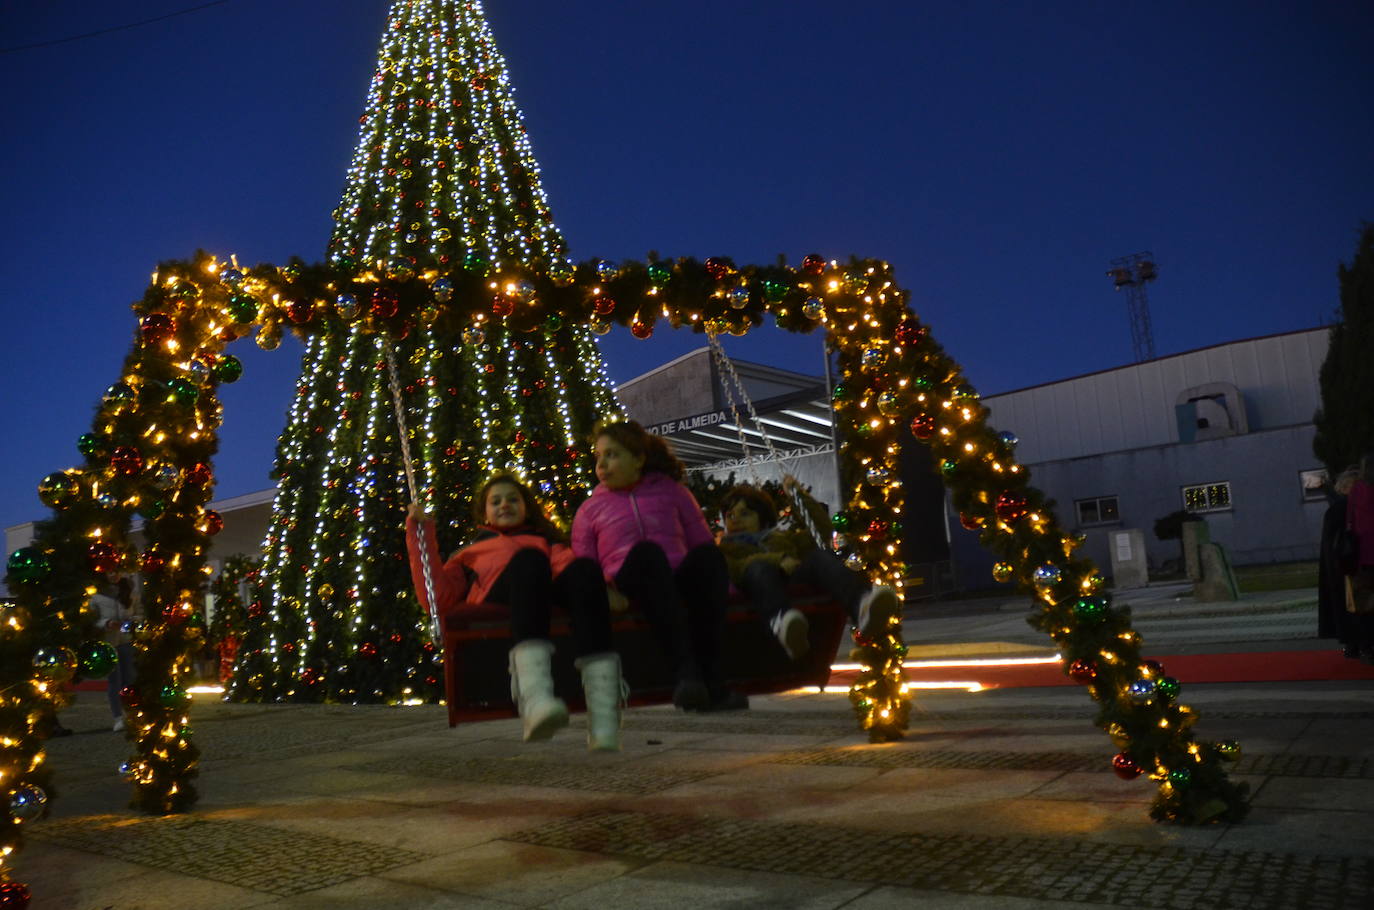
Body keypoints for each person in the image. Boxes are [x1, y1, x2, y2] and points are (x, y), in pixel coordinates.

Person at [405, 473, 625, 750]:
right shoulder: (469, 553)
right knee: (529, 559)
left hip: (542, 590)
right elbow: (439, 599)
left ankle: (604, 716)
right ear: (484, 512)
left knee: (583, 569)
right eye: (495, 501)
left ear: (526, 506)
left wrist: (601, 587)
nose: (504, 505)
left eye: (512, 499)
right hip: (498, 595)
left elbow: (568, 570)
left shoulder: (546, 542)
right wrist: (420, 533)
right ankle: (535, 699)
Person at [572, 420, 745, 712]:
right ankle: (686, 674)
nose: (601, 464)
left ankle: (713, 681)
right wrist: (602, 591)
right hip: (628, 580)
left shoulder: (673, 493)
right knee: (648, 554)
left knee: (708, 556)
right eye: (598, 456)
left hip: (675, 577)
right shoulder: (590, 509)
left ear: (638, 458)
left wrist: (724, 587)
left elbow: (700, 541)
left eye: (612, 454)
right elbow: (584, 561)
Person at [718, 477, 900, 660]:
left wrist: (800, 498)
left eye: (745, 514)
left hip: (793, 580)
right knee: (758, 568)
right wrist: (777, 560)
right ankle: (782, 622)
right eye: (730, 515)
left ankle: (861, 605)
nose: (735, 520)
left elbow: (824, 533)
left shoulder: (783, 538)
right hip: (759, 589)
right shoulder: (725, 549)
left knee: (820, 556)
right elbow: (734, 568)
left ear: (763, 518)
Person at [91, 574, 138, 732]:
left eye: (116, 571)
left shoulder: (128, 592)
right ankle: (118, 717)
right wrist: (106, 623)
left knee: (129, 679)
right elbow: (92, 619)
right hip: (108, 642)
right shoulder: (96, 596)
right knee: (114, 681)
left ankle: (131, 714)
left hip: (126, 640)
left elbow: (138, 613)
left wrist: (133, 622)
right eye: (109, 571)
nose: (113, 575)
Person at [1346, 453, 1374, 661]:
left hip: (1362, 557)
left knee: (1365, 604)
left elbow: (1351, 522)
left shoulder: (1357, 490)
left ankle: (1366, 645)